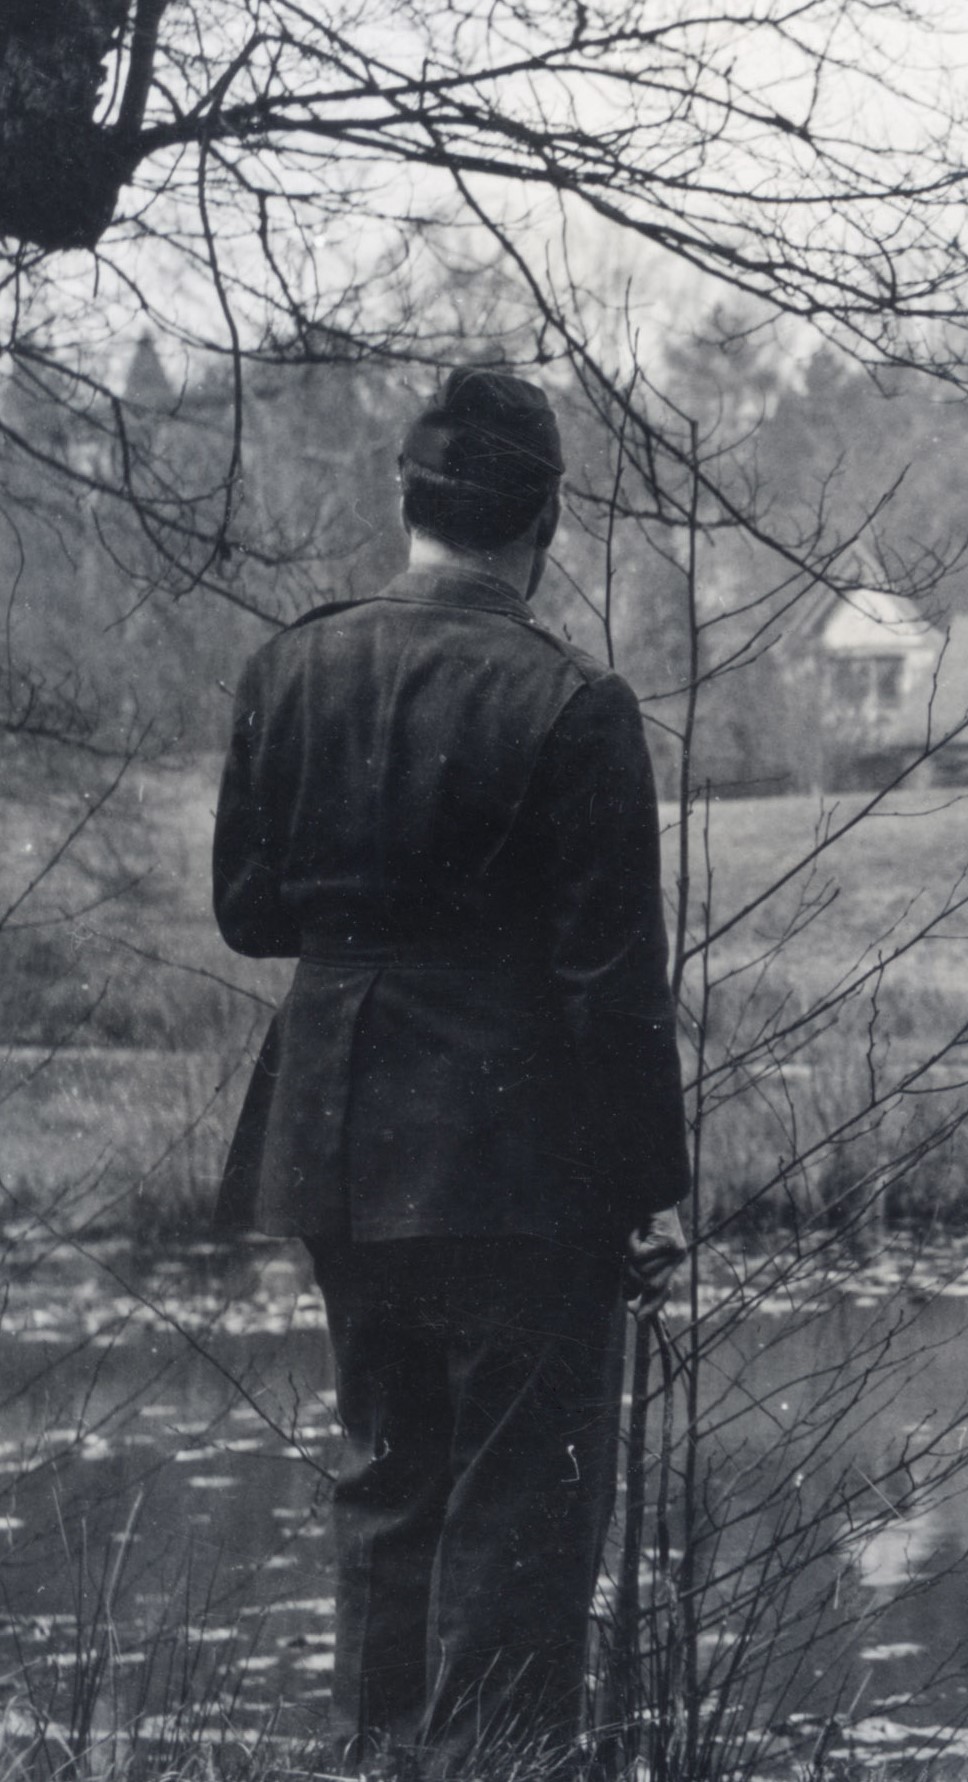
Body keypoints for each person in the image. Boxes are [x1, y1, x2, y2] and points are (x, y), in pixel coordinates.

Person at [213, 366, 689, 1778]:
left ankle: (375, 1762)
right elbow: (613, 988)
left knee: (384, 1484)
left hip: (336, 1144)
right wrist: (650, 1192)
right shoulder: (574, 705)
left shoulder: (287, 668)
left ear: (406, 502)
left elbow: (248, 911)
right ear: (545, 521)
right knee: (521, 1519)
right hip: (517, 1164)